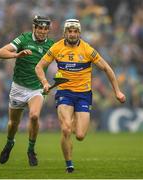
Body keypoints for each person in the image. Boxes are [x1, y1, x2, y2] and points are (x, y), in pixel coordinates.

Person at [35, 19, 126, 173]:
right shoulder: (56, 47)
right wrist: (44, 82)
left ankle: (74, 121)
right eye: (69, 31)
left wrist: (117, 91)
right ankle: (69, 164)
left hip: (84, 94)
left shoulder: (87, 49)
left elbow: (107, 68)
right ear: (65, 32)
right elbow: (39, 67)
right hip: (64, 93)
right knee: (65, 129)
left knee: (80, 135)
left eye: (75, 31)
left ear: (79, 33)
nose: (72, 34)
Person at [0, 15, 54, 166]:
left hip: (36, 89)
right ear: (34, 27)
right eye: (40, 28)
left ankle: (31, 150)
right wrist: (17, 54)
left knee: (34, 116)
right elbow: (0, 53)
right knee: (12, 124)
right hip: (18, 87)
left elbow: (64, 61)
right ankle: (9, 143)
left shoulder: (52, 45)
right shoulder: (24, 39)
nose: (42, 31)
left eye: (45, 29)